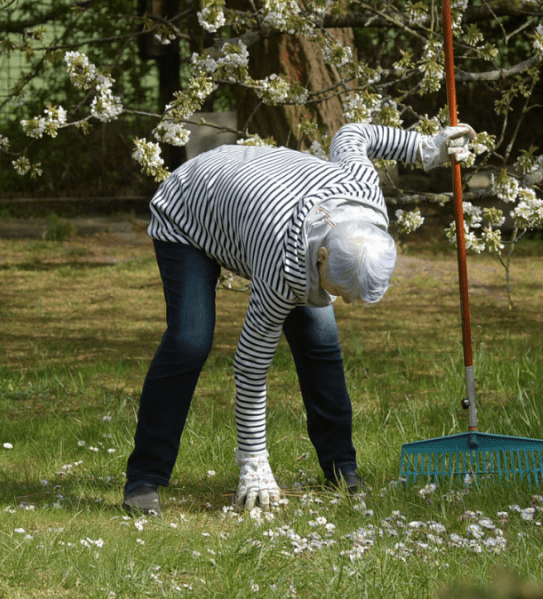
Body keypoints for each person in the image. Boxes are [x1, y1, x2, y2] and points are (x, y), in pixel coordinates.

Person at [122, 122, 476, 516]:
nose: (341, 302)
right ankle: (143, 478)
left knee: (321, 341)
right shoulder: (282, 266)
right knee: (191, 340)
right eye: (339, 292)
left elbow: (353, 135)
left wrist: (428, 148)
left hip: (256, 191)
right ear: (320, 257)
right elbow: (251, 365)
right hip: (190, 207)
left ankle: (342, 469)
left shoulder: (363, 196)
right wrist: (253, 462)